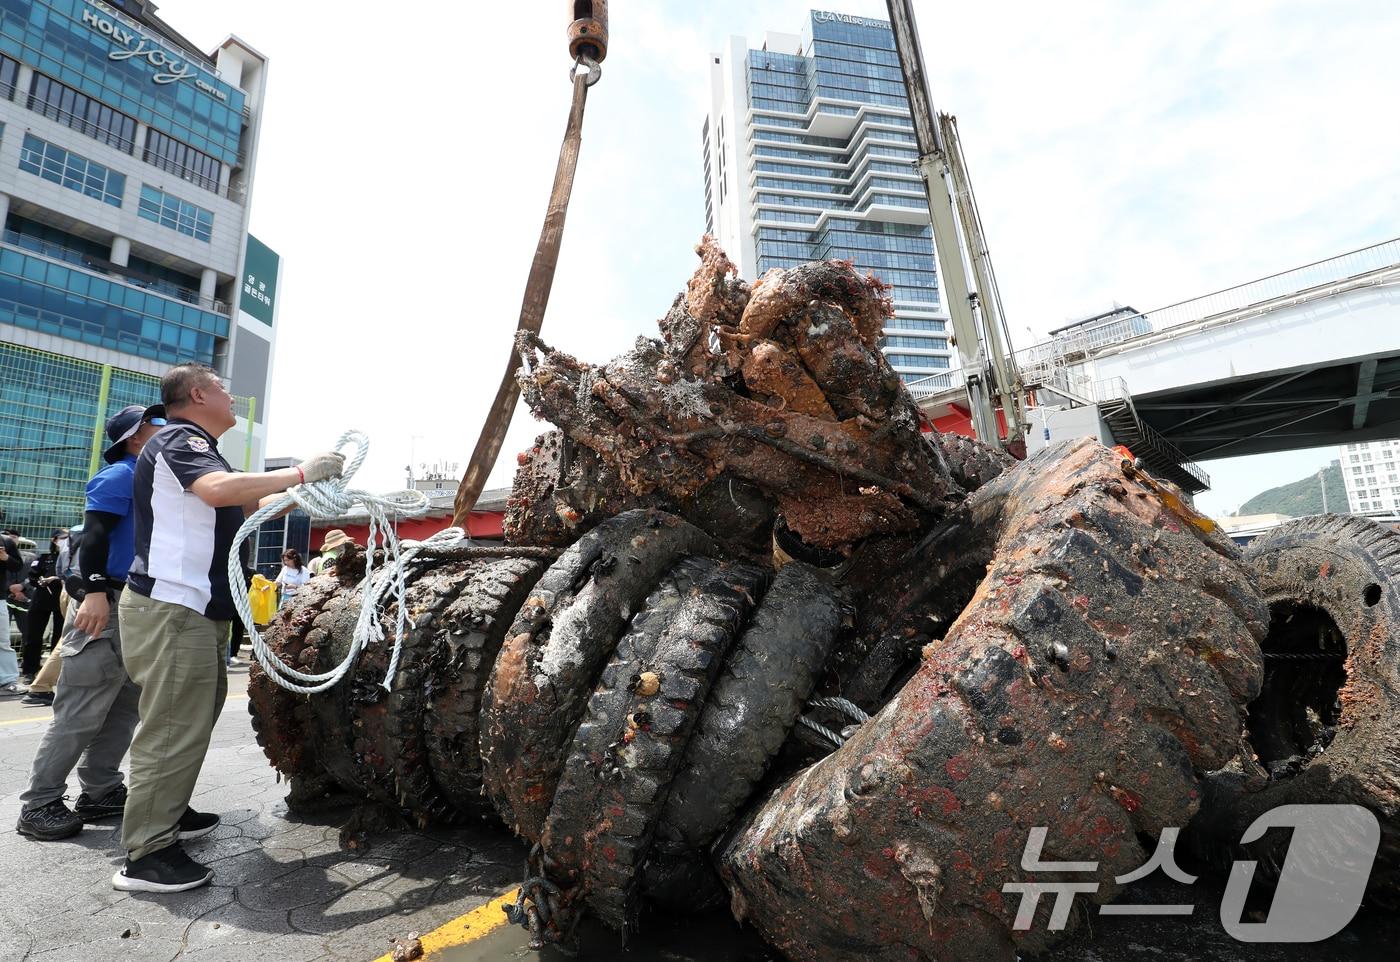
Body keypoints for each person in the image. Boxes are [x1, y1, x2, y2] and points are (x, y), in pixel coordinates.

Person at [115, 362, 345, 893]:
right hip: (174, 608)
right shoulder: (180, 439)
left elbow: (245, 501)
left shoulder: (202, 449)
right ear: (198, 394)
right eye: (221, 387)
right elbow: (220, 491)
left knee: (190, 718)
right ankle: (147, 854)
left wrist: (305, 493)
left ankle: (166, 812)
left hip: (194, 610)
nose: (231, 396)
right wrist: (302, 473)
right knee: (173, 725)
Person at [15, 404, 166, 841]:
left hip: (135, 605)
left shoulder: (151, 477)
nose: (165, 428)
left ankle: (100, 790)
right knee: (80, 710)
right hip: (108, 601)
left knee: (123, 708)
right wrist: (95, 591)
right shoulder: (121, 475)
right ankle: (39, 802)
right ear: (135, 437)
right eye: (156, 424)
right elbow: (94, 536)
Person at [19, 530, 66, 682]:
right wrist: (40, 580)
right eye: (62, 538)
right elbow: (32, 575)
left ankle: (55, 673)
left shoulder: (70, 557)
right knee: (33, 636)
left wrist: (56, 579)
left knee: (60, 638)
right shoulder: (44, 557)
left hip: (62, 600)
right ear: (54, 539)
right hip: (41, 599)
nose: (65, 541)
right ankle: (30, 671)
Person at [0, 526, 24, 695]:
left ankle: (8, 680)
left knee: (2, 641)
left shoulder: (6, 541)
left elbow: (18, 566)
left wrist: (5, 557)